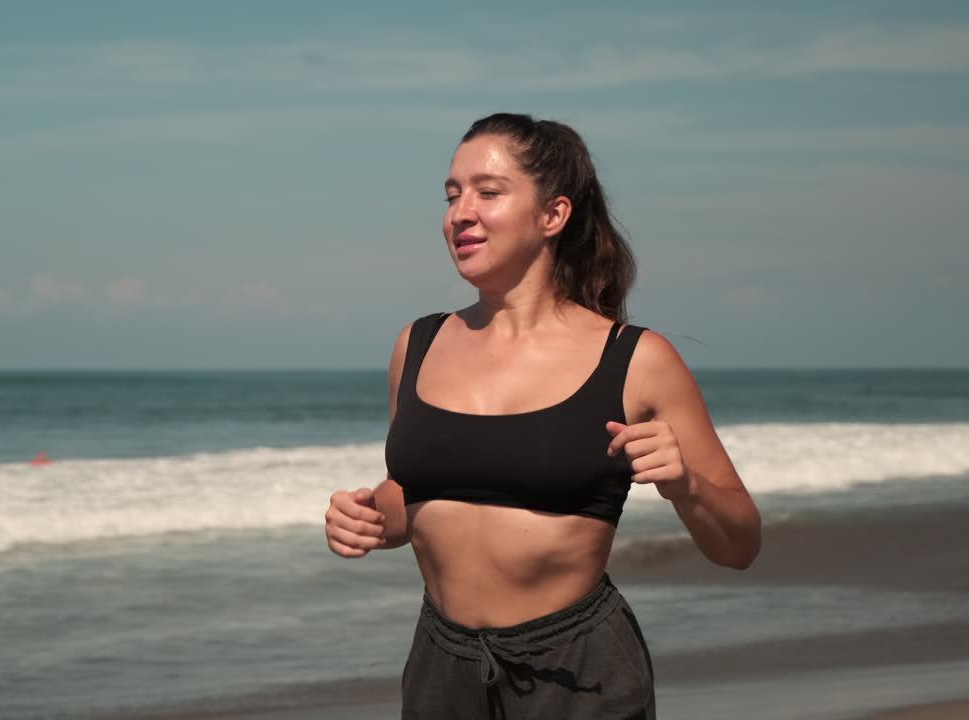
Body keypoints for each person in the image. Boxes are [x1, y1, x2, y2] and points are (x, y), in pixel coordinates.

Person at [324, 113, 761, 719]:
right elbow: (420, 494)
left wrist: (684, 485)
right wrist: (370, 516)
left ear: (553, 215)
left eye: (488, 192)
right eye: (452, 195)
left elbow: (740, 545)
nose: (460, 213)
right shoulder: (416, 344)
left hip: (575, 672)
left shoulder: (635, 359)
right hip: (440, 666)